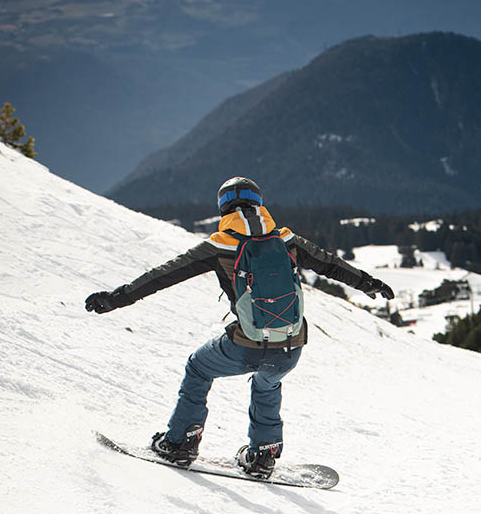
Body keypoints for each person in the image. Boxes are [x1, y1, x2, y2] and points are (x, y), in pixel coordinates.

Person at [86, 176, 394, 477]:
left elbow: (163, 275)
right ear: (259, 204)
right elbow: (330, 263)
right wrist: (368, 283)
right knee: (268, 383)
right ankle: (263, 454)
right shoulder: (286, 239)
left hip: (244, 345)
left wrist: (115, 299)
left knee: (198, 367)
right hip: (290, 346)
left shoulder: (221, 244)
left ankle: (181, 442)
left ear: (222, 209)